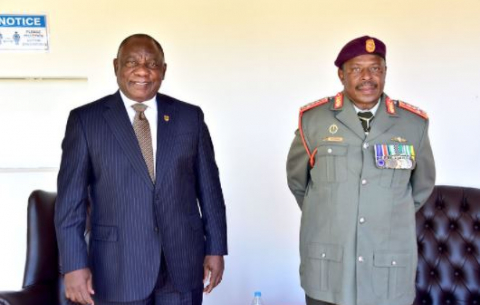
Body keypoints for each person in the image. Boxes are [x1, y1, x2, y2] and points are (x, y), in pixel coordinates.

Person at [55, 33, 227, 305]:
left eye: (152, 64)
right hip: (118, 267)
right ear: (116, 67)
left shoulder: (189, 118)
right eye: (131, 62)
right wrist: (73, 265)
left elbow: (210, 190)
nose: (143, 71)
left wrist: (216, 247)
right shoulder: (86, 121)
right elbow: (70, 202)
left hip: (181, 264)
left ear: (164, 71)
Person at [286, 35, 435, 305]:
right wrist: (333, 210)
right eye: (356, 69)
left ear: (385, 72)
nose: (367, 77)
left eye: (375, 68)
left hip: (388, 269)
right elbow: (299, 183)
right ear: (341, 75)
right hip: (328, 268)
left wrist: (382, 211)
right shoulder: (314, 121)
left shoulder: (413, 125)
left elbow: (421, 186)